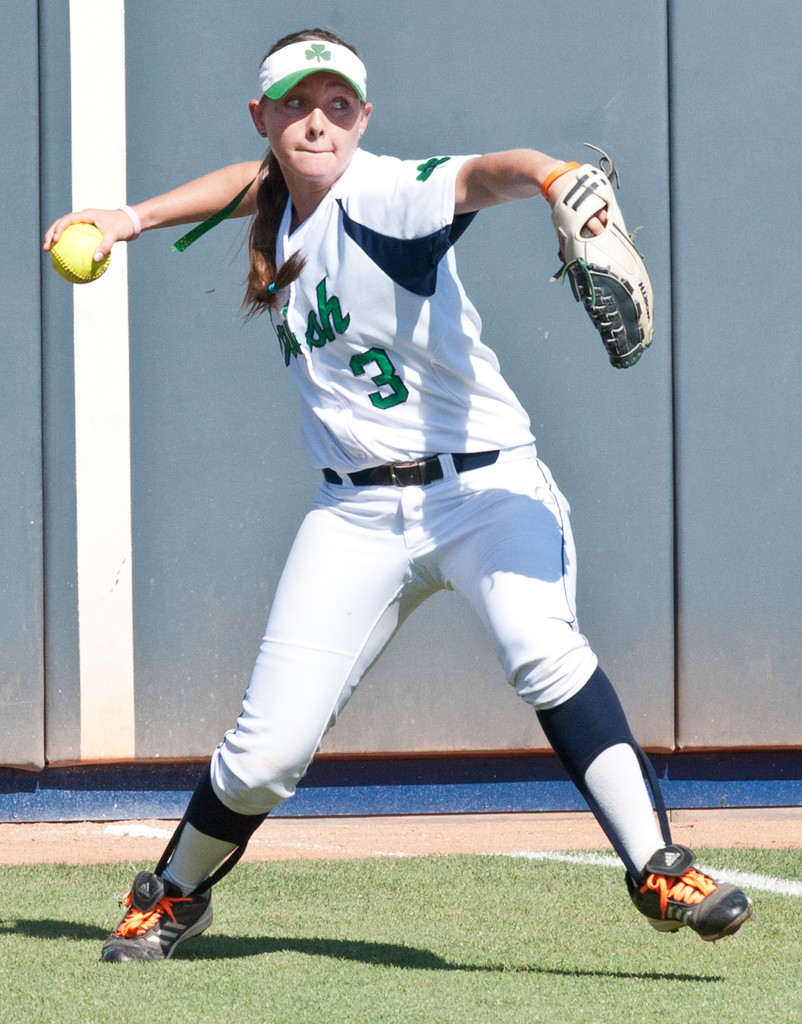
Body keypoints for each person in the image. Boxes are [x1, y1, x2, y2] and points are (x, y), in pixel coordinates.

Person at [45, 28, 752, 962]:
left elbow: (484, 175)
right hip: (356, 515)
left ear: (364, 117)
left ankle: (659, 868)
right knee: (264, 755)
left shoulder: (386, 192)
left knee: (542, 650)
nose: (318, 121)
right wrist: (128, 218)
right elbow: (251, 184)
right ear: (263, 118)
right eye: (296, 104)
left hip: (486, 489)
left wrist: (550, 177)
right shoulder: (283, 200)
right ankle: (171, 892)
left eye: (338, 104)